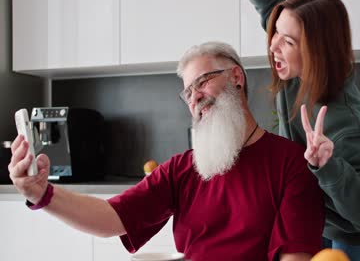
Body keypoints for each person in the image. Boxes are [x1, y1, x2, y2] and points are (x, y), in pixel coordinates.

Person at [8, 41, 325, 261]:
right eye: (188, 92)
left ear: (237, 77)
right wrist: (42, 194)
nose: (195, 97)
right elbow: (112, 217)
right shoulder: (182, 169)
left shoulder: (290, 164)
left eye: (202, 82)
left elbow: (295, 256)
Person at [247, 0, 360, 260]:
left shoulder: (345, 120)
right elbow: (269, 7)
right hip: (316, 219)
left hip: (350, 236)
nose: (272, 45)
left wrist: (328, 165)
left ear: (315, 51)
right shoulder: (296, 69)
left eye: (287, 42)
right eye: (276, 31)